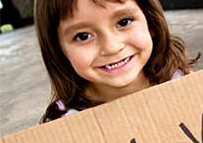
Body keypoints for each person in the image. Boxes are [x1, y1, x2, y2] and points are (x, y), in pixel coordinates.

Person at [35, 0, 194, 123]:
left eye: (124, 22)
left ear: (150, 22)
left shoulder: (184, 82)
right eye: (83, 36)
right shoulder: (65, 123)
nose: (111, 47)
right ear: (59, 51)